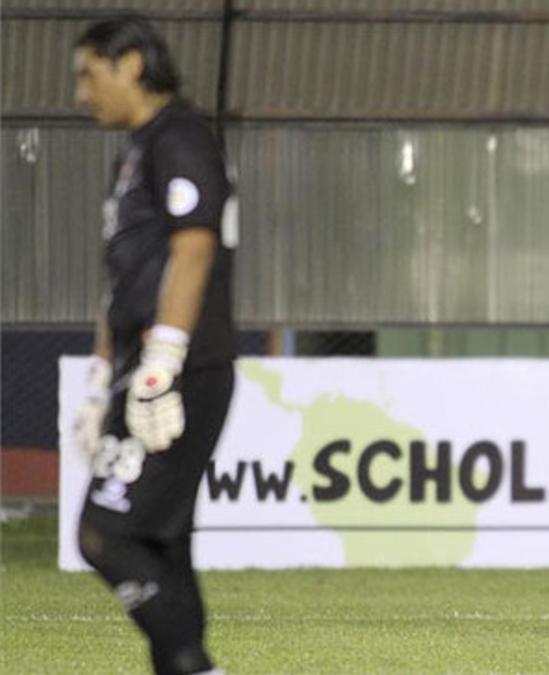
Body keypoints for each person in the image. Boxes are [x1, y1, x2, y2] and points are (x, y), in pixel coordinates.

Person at [71, 15, 236, 675]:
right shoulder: (136, 151)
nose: (81, 93)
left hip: (181, 371)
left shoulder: (182, 137)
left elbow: (193, 249)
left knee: (105, 533)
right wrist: (98, 381)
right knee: (164, 544)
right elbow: (124, 277)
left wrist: (161, 367)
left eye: (90, 73)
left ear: (133, 62)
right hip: (141, 370)